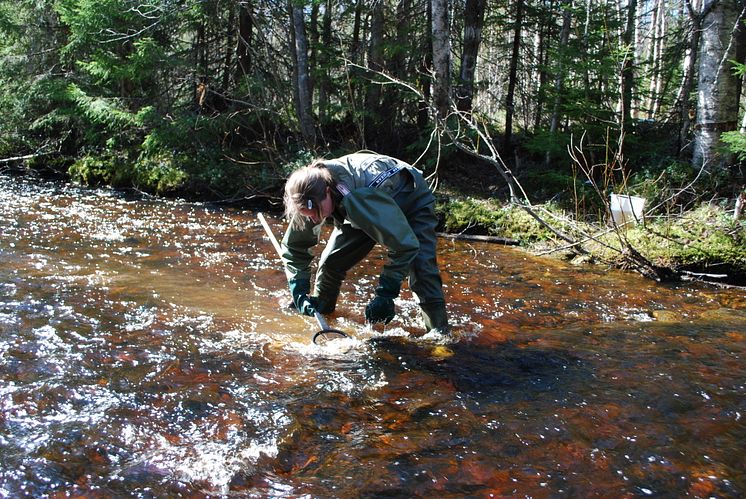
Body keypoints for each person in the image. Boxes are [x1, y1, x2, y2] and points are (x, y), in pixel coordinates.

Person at [280, 152, 449, 334]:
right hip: (364, 205)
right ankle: (323, 312)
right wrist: (299, 291)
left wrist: (386, 294)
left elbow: (405, 246)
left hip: (410, 200)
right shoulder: (308, 194)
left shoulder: (354, 197)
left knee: (422, 270)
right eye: (307, 215)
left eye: (315, 213)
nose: (313, 220)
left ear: (328, 192)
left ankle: (438, 334)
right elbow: (294, 247)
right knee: (332, 263)